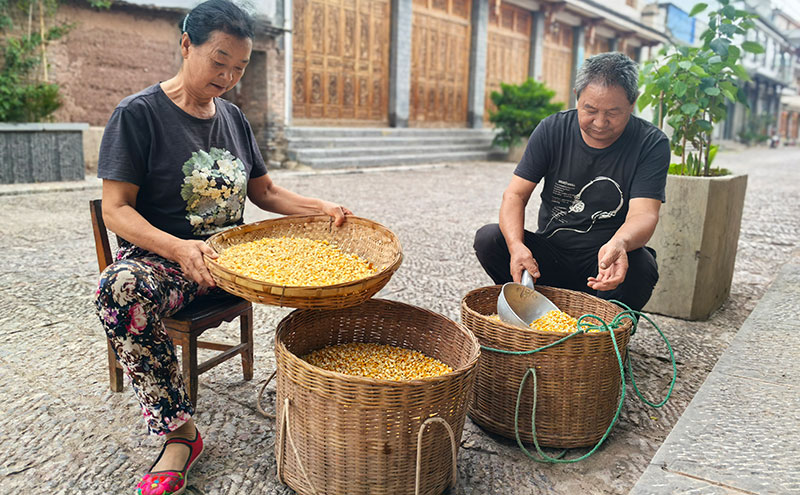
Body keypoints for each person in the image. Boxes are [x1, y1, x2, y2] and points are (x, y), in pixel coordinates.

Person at [93, 1, 352, 493]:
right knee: (118, 289)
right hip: (163, 263)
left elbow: (266, 192)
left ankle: (335, 396)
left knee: (338, 277)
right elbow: (116, 209)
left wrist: (321, 207)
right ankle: (180, 434)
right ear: (186, 44)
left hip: (232, 262)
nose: (229, 75)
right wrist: (179, 249)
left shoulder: (233, 118)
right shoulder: (138, 114)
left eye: (239, 66)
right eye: (219, 61)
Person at [474, 52, 669, 312]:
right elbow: (515, 196)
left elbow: (644, 214)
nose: (600, 123)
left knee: (642, 264)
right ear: (577, 96)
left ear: (633, 104)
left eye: (613, 113)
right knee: (490, 238)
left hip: (603, 264)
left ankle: (605, 332)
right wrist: (517, 247)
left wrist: (619, 243)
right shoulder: (552, 130)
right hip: (551, 258)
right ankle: (533, 309)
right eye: (590, 109)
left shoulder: (650, 143)